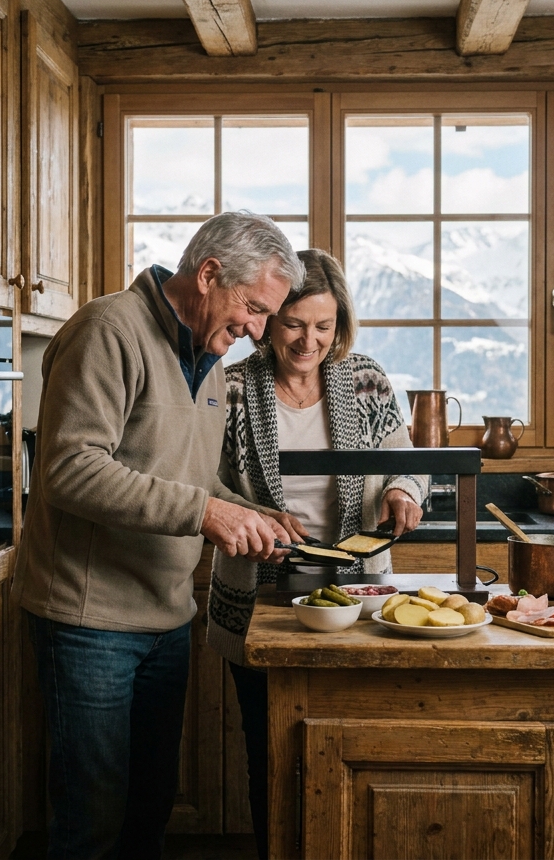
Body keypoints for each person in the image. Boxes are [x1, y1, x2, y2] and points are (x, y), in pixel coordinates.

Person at [12, 212, 305, 860]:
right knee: (90, 822)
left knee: (149, 811)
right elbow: (69, 469)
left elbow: (190, 480)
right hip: (89, 622)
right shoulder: (108, 330)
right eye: (255, 308)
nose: (259, 331)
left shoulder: (211, 360)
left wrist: (252, 512)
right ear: (208, 275)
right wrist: (208, 514)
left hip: (167, 619)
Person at [205, 249, 428, 858]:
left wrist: (406, 492)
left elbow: (404, 462)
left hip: (358, 597)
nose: (309, 340)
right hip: (260, 597)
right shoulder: (229, 386)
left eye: (323, 326)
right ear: (269, 320)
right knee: (270, 749)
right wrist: (251, 519)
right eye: (295, 324)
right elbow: (203, 482)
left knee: (356, 743)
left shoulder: (367, 380)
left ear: (340, 325)